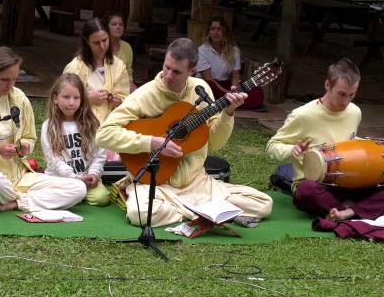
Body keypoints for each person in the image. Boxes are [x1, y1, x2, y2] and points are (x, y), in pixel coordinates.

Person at [96, 38, 273, 227]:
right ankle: (205, 211)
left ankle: (191, 209)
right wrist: (151, 142)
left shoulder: (201, 90)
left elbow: (214, 142)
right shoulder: (144, 95)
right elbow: (104, 135)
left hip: (196, 183)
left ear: (192, 71)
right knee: (139, 214)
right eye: (166, 67)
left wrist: (227, 113)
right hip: (156, 185)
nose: (169, 75)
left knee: (264, 204)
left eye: (177, 71)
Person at [266, 58, 384, 221]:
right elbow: (272, 145)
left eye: (352, 94)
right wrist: (292, 150)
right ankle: (357, 209)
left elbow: (348, 142)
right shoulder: (302, 115)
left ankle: (347, 212)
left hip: (353, 183)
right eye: (342, 94)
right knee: (305, 190)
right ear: (327, 85)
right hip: (319, 186)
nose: (346, 101)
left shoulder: (355, 112)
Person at [0, 46, 86, 213]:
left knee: (78, 188)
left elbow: (29, 137)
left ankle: (12, 203)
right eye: (5, 79)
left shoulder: (19, 98)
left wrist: (25, 147)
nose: (11, 85)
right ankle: (30, 199)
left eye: (15, 79)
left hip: (20, 178)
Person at [41, 73, 110, 206]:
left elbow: (99, 155)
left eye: (76, 98)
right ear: (55, 98)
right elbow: (54, 160)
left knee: (101, 199)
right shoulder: (49, 126)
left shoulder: (92, 124)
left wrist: (94, 174)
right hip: (60, 179)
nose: (71, 103)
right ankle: (75, 194)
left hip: (87, 176)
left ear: (82, 100)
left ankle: (77, 194)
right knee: (51, 192)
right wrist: (74, 178)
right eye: (66, 97)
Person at [63, 17, 130, 123]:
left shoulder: (118, 65)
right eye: (96, 42)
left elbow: (127, 97)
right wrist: (88, 100)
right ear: (87, 41)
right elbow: (63, 99)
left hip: (112, 123)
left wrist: (119, 100)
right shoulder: (75, 67)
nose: (102, 46)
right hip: (83, 122)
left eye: (105, 40)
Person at [196, 16, 264, 109]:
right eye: (213, 29)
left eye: (219, 29)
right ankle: (229, 103)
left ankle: (225, 103)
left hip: (227, 85)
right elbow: (208, 78)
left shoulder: (234, 50)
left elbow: (235, 74)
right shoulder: (202, 50)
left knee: (257, 91)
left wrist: (234, 90)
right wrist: (226, 92)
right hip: (212, 86)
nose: (216, 32)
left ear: (224, 31)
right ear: (209, 32)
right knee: (208, 86)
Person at [104, 12, 136, 92]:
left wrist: (130, 85)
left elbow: (129, 71)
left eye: (121, 24)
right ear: (107, 27)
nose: (118, 27)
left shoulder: (127, 47)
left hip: (124, 85)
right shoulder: (102, 46)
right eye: (114, 24)